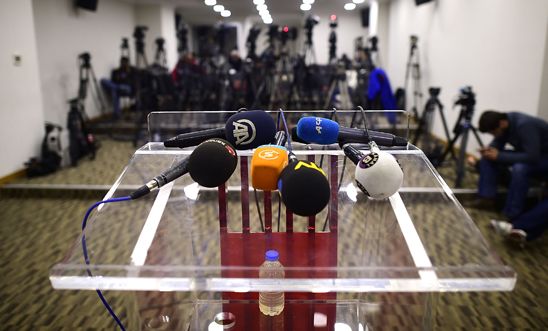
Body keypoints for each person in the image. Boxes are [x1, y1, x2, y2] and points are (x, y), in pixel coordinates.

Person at [476, 110, 548, 219]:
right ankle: (487, 198)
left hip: (542, 157)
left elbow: (533, 157)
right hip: (527, 153)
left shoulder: (524, 125)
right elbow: (498, 142)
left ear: (502, 123)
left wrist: (499, 156)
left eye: (494, 132)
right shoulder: (504, 122)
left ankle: (512, 212)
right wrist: (490, 149)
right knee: (488, 158)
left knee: (520, 168)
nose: (494, 135)